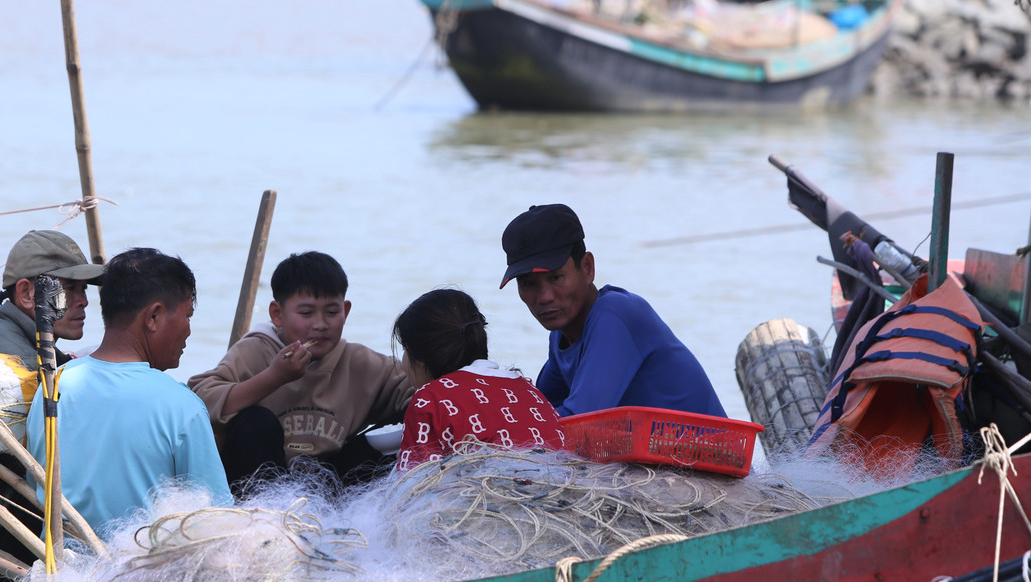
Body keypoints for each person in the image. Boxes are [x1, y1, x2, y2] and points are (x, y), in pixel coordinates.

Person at [25, 247, 229, 536]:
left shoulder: (53, 387)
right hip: (139, 563)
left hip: (59, 560)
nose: (189, 331)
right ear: (153, 317)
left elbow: (36, 484)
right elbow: (215, 520)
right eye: (187, 316)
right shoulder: (182, 406)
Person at [188, 251, 414, 492]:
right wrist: (273, 377)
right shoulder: (255, 351)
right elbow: (198, 402)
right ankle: (263, 508)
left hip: (332, 481)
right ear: (277, 314)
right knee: (254, 422)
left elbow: (418, 390)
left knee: (414, 416)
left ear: (346, 311)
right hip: (263, 479)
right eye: (306, 313)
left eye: (332, 312)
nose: (320, 325)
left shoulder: (358, 361)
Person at [501, 204, 726, 419]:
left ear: (587, 268)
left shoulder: (615, 315)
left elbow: (577, 420)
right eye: (528, 284)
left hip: (706, 446)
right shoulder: (559, 337)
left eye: (556, 277)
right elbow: (541, 408)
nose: (544, 297)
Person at [392, 289, 567, 472]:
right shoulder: (527, 388)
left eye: (405, 349)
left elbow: (414, 483)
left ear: (420, 358)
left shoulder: (428, 400)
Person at [0, 230, 105, 366]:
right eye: (69, 289)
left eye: (83, 289)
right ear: (26, 294)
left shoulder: (1, 336)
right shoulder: (27, 366)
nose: (84, 302)